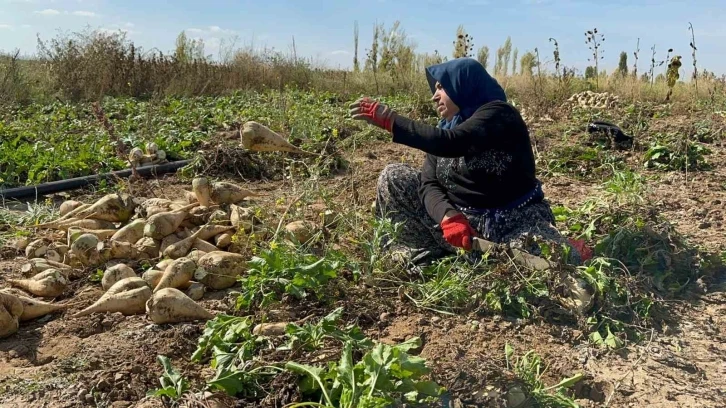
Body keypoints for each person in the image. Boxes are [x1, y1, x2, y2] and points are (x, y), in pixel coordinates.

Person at [350, 57, 592, 267]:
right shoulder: (445, 127)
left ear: (461, 85)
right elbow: (428, 182)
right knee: (394, 177)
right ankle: (421, 254)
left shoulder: (499, 114)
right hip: (464, 229)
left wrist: (392, 121)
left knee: (546, 261)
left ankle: (561, 249)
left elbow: (452, 142)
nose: (434, 96)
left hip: (511, 223)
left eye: (441, 87)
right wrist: (448, 217)